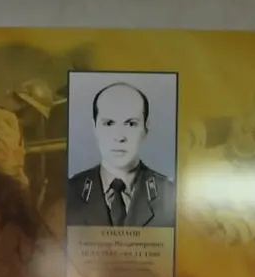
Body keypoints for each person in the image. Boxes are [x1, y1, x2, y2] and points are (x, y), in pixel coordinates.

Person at [66, 82, 176, 228]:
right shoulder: (68, 193)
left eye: (131, 124)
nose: (119, 137)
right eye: (108, 123)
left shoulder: (171, 195)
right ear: (94, 128)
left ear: (146, 128)